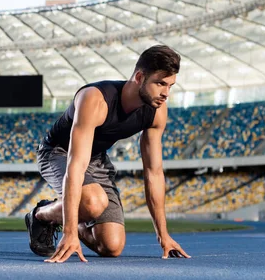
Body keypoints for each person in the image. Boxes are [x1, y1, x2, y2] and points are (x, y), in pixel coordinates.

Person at [25, 45, 190, 263]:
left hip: (96, 157)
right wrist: (70, 233)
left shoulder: (157, 110)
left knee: (111, 246)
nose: (166, 93)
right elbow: (75, 165)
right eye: (160, 83)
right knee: (93, 202)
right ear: (140, 77)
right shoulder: (95, 99)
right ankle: (41, 215)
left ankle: (62, 214)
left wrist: (163, 235)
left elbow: (154, 172)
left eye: (170, 86)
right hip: (58, 151)